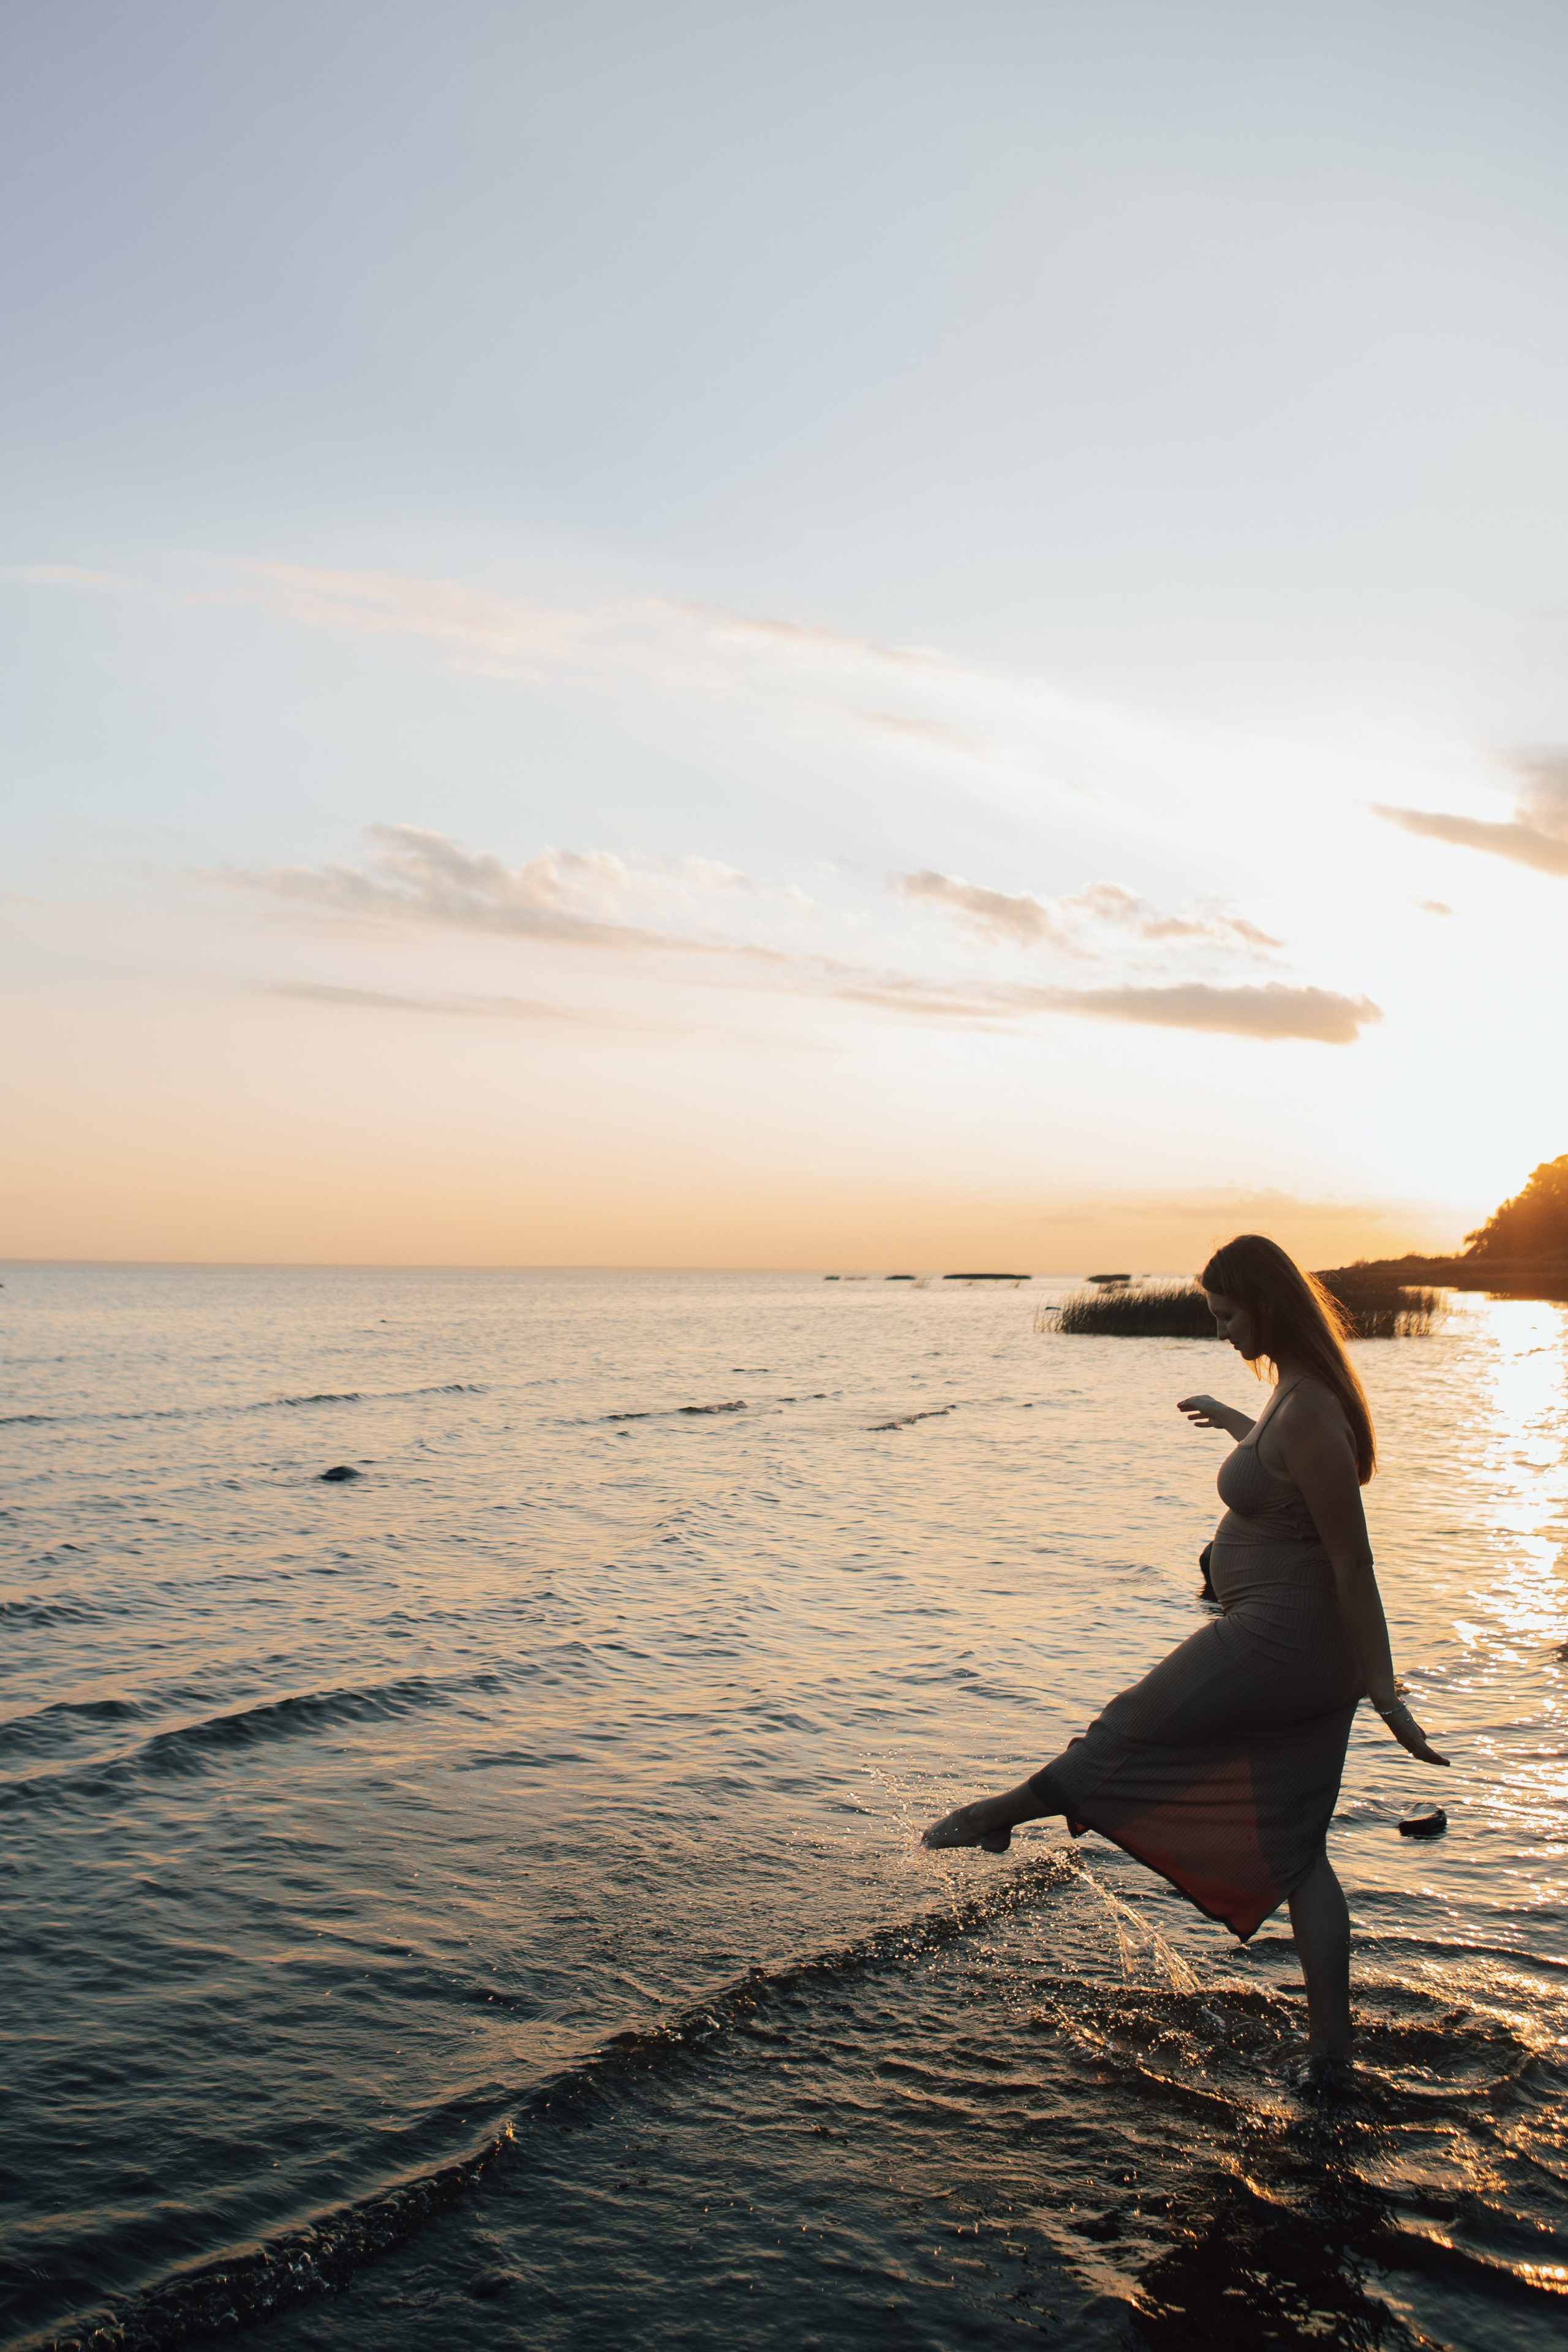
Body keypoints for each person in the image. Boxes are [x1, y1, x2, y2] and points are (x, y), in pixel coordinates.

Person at [923, 1233, 1449, 2068]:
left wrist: (1389, 1697)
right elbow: (1283, 1475)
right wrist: (1238, 1423)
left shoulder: (1309, 1409)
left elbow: (1354, 1563)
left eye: (1228, 1314)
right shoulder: (1292, 1394)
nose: (1222, 1332)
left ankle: (997, 1818)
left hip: (1283, 1643)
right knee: (1302, 1853)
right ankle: (1332, 2051)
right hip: (1302, 1651)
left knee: (1127, 1728)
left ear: (1269, 1306)